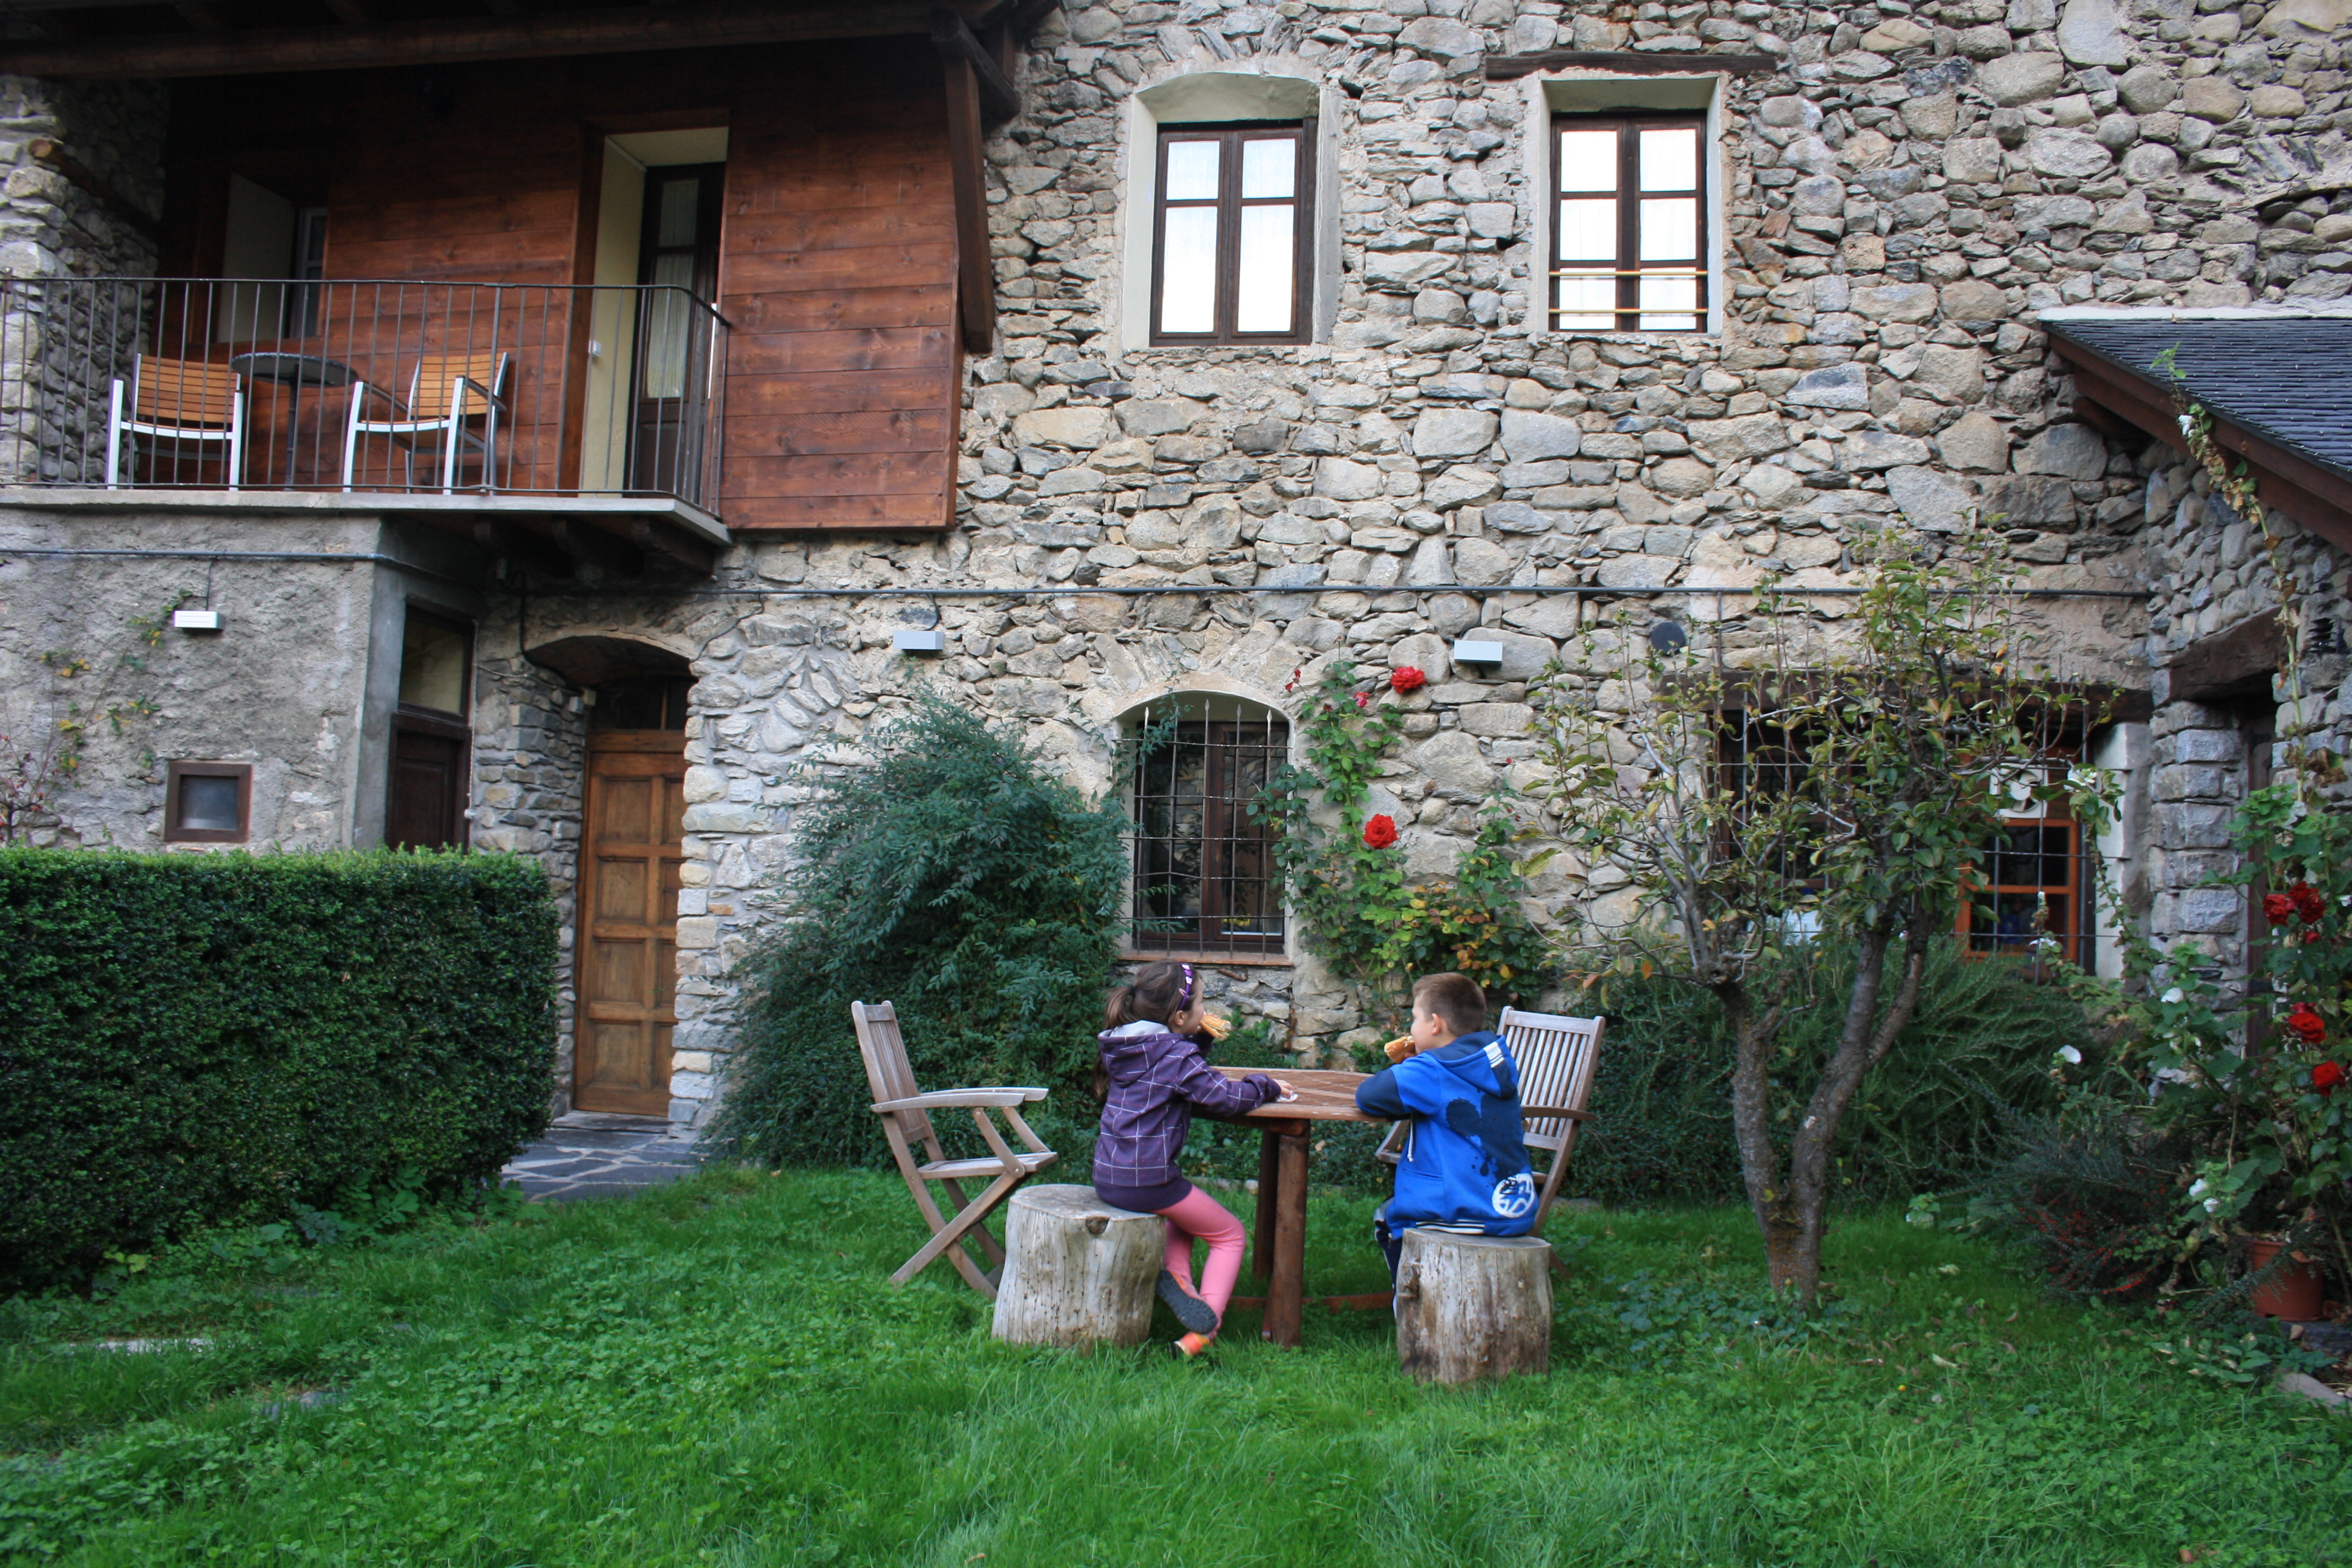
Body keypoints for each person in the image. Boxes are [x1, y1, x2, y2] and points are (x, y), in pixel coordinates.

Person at [1094, 960, 1294, 1357]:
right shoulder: (1173, 1055)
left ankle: (1178, 1278)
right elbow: (1224, 1097)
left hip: (1111, 1173)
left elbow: (1182, 1066)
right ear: (1180, 1016)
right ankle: (1205, 1331)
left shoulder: (1127, 1044)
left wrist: (1195, 1038)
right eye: (1202, 1003)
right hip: (1148, 1180)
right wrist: (1266, 1086)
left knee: (1186, 1213)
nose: (1206, 1010)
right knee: (1230, 1234)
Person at [1354, 972, 1536, 1280]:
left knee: (1389, 1217)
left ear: (1435, 1024)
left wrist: (1411, 1063)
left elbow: (1369, 1096)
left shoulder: (1431, 1069)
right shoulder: (1493, 1059)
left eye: (1414, 1019)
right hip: (1513, 1209)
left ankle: (1409, 1299)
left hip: (1462, 1210)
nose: (1411, 1028)